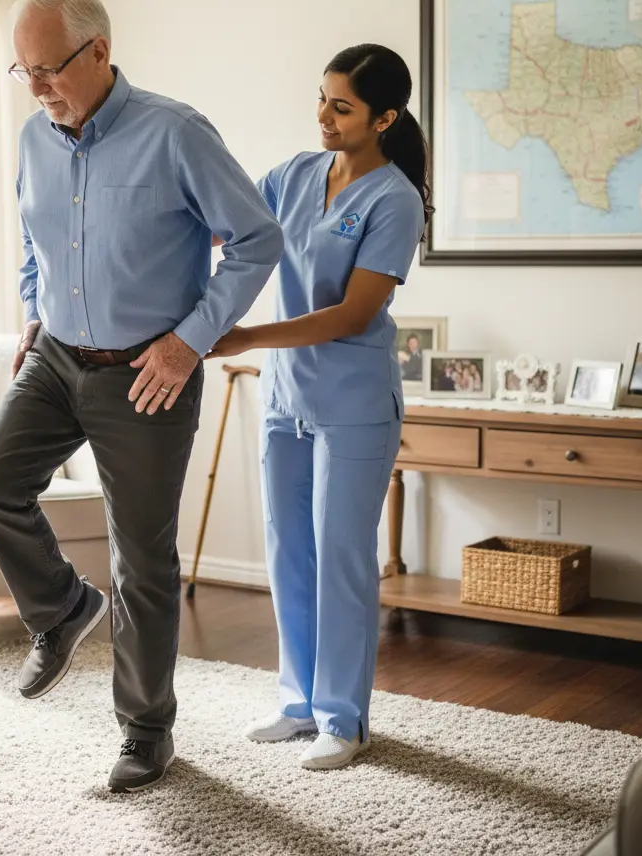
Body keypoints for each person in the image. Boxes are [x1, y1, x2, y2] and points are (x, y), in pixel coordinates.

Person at [0, 0, 283, 793]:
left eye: (49, 69)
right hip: (56, 357)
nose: (37, 89)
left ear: (98, 52)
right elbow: (34, 242)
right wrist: (33, 313)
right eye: (23, 72)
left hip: (147, 372)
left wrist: (189, 341)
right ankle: (62, 609)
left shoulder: (175, 132)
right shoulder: (35, 139)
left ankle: (145, 730)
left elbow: (255, 239)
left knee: (142, 558)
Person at [208, 43, 429, 769]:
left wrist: (243, 335)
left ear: (385, 118)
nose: (324, 117)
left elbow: (352, 315)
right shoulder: (295, 174)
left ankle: (345, 718)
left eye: (343, 107)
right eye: (322, 99)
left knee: (341, 559)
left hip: (353, 405)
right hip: (286, 398)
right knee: (289, 553)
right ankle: (298, 704)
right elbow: (229, 225)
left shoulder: (394, 199)